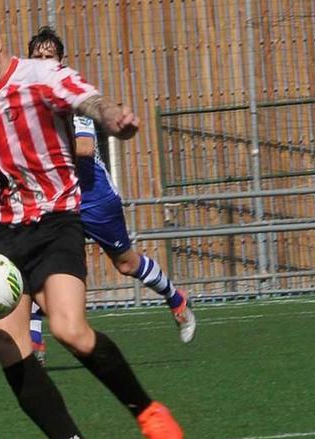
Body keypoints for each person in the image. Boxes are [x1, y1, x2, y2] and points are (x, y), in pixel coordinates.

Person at [0, 7, 183, 439]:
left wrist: (114, 118)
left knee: (69, 329)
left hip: (54, 220)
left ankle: (147, 410)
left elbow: (89, 101)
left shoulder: (41, 75)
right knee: (8, 346)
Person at [26, 27, 196, 365]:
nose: (44, 63)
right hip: (53, 198)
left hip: (92, 195)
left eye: (50, 57)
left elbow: (86, 149)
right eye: (38, 57)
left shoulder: (70, 99)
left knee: (126, 263)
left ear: (60, 63)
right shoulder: (21, 103)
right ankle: (35, 348)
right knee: (35, 265)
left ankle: (176, 299)